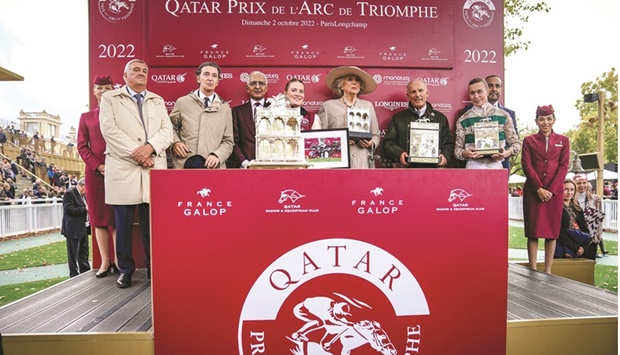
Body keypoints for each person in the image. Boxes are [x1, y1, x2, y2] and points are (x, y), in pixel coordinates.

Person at [99, 59, 173, 288]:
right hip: (124, 167)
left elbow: (167, 131)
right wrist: (137, 152)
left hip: (151, 168)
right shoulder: (110, 98)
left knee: (153, 225)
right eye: (136, 70)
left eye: (144, 70)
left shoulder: (157, 100)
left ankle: (154, 269)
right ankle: (126, 271)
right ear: (125, 75)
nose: (141, 73)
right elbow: (109, 130)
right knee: (123, 225)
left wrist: (149, 148)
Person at [521, 105, 570, 273]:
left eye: (549, 119)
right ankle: (533, 268)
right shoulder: (529, 140)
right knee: (533, 231)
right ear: (536, 121)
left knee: (551, 232)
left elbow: (563, 166)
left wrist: (551, 190)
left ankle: (548, 270)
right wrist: (539, 189)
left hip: (554, 193)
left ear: (554, 120)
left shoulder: (564, 140)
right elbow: (526, 165)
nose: (545, 122)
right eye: (541, 119)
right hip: (533, 192)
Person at [77, 74, 118, 278]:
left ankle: (119, 261)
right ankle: (104, 262)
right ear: (94, 92)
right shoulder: (86, 117)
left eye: (108, 88)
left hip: (120, 170)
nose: (103, 92)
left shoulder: (121, 115)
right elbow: (82, 147)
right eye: (100, 88)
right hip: (95, 174)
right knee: (100, 219)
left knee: (118, 217)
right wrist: (99, 166)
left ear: (114, 90)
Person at [169, 61, 234, 169]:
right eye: (206, 74)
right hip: (185, 165)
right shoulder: (183, 102)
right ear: (198, 78)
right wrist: (175, 143)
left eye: (214, 76)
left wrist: (218, 155)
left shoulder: (224, 108)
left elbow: (228, 141)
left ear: (217, 81)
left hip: (213, 167)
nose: (210, 78)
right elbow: (168, 127)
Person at [316, 66, 380, 169]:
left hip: (361, 160)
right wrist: (340, 142)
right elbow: (320, 137)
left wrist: (370, 143)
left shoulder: (367, 106)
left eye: (357, 80)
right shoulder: (328, 106)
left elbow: (376, 135)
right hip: (336, 160)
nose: (354, 83)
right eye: (350, 79)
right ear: (341, 86)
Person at [382, 79, 454, 168]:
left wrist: (445, 156)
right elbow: (388, 143)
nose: (417, 95)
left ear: (427, 93)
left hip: (434, 170)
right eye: (413, 92)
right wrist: (399, 153)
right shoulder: (398, 118)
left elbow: (449, 143)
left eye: (420, 90)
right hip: (407, 170)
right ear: (408, 95)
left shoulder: (440, 118)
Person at [454, 77, 521, 169]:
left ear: (487, 92)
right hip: (472, 166)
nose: (476, 96)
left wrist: (506, 153)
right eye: (472, 93)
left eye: (479, 91)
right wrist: (465, 154)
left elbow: (516, 143)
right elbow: (457, 150)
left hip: (496, 166)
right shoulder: (462, 120)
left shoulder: (504, 115)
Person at [230, 71, 270, 169]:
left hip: (270, 165)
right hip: (244, 167)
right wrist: (244, 162)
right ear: (247, 89)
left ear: (266, 88)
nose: (257, 87)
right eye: (253, 83)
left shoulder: (275, 109)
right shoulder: (237, 111)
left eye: (261, 83)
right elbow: (233, 141)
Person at [556, 178, 597, 260]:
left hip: (579, 240)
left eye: (572, 190)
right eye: (566, 189)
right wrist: (576, 247)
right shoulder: (557, 208)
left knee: (592, 245)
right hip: (564, 242)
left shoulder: (577, 209)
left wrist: (583, 248)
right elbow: (559, 232)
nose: (569, 192)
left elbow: (585, 230)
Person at [61, 178, 91, 278]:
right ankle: (74, 274)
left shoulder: (83, 196)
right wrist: (85, 209)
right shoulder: (70, 193)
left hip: (83, 227)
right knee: (73, 253)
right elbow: (68, 209)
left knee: (84, 250)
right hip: (72, 228)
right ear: (82, 186)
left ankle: (85, 270)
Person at [574, 174, 608, 257]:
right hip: (575, 238)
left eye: (584, 183)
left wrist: (597, 238)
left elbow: (599, 220)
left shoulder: (596, 199)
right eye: (578, 183)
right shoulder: (571, 198)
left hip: (591, 237)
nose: (582, 185)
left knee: (590, 264)